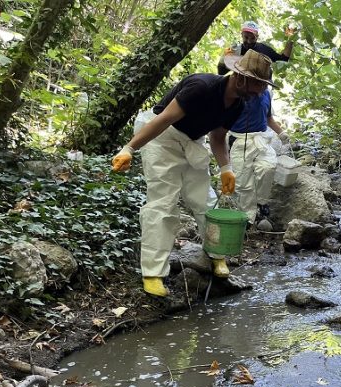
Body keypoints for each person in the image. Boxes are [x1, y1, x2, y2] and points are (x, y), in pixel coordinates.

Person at [111, 49, 276, 297]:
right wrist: (130, 147)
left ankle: (216, 254)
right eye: (257, 85)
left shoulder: (239, 104)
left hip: (192, 141)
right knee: (163, 204)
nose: (260, 92)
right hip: (162, 139)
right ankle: (153, 273)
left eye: (263, 86)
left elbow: (218, 136)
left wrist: (226, 169)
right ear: (241, 77)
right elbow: (164, 119)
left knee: (206, 202)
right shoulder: (201, 87)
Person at [228, 87, 286, 226]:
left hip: (261, 138)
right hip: (239, 140)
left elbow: (268, 117)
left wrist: (281, 132)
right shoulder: (237, 92)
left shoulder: (267, 93)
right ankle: (247, 217)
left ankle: (261, 202)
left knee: (268, 168)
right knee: (243, 182)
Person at [217, 21, 296, 74]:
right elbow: (221, 72)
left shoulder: (265, 49)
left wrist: (291, 39)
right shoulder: (236, 50)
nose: (249, 41)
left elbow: (283, 60)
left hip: (259, 89)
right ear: (241, 35)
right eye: (246, 37)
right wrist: (224, 58)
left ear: (257, 37)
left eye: (252, 38)